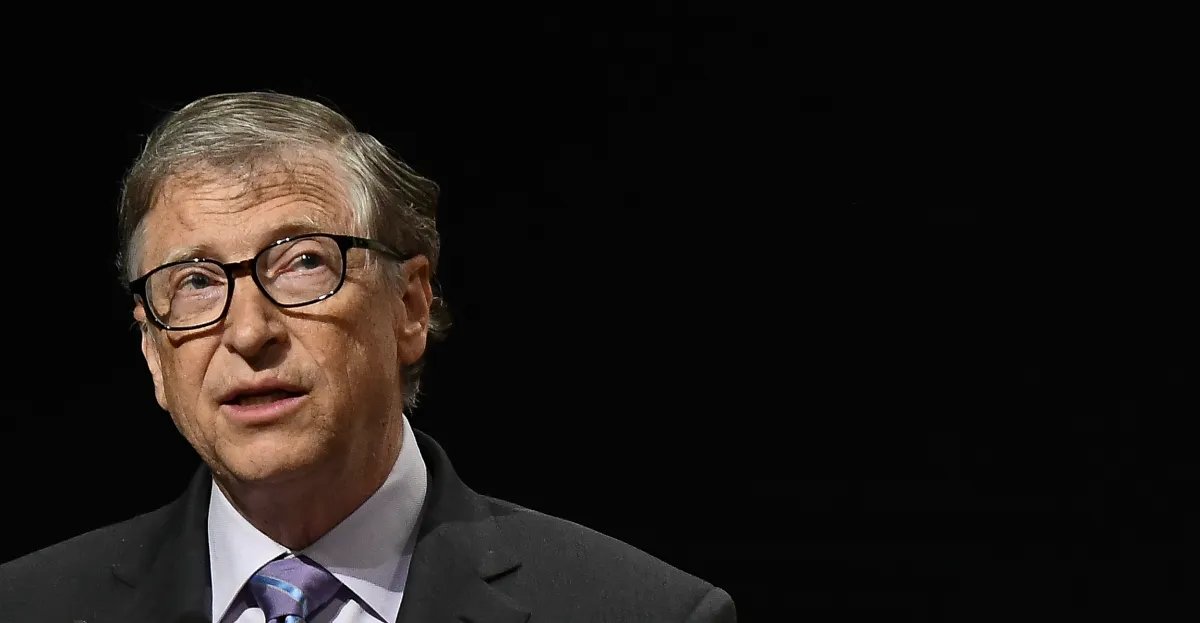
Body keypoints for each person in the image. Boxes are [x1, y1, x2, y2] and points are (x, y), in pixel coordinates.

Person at [0, 91, 735, 622]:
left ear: (410, 306)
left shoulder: (638, 610)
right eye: (194, 281)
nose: (249, 332)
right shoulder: (28, 605)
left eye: (302, 263)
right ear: (153, 352)